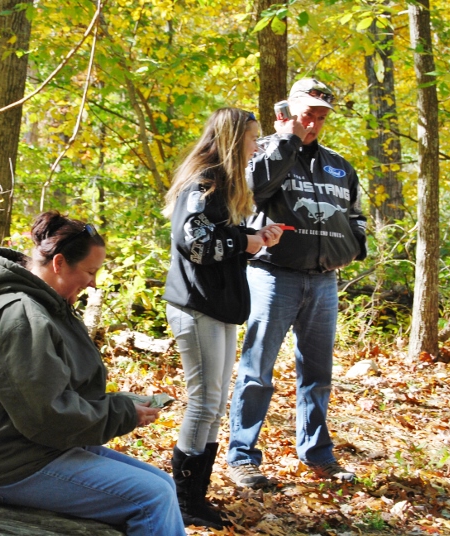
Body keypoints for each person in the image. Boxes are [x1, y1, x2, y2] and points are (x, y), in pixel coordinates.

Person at [0, 211, 184, 536]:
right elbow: (48, 415)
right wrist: (122, 412)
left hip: (36, 448)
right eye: (89, 271)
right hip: (5, 466)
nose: (94, 282)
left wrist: (123, 403)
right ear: (58, 263)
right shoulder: (20, 317)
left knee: (163, 483)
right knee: (150, 498)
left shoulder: (47, 308)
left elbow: (57, 394)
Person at [226, 78, 368, 488]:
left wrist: (355, 245)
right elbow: (254, 191)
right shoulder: (264, 151)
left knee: (318, 373)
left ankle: (318, 454)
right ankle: (242, 457)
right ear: (289, 111)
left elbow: (355, 212)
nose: (315, 124)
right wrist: (288, 139)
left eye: (322, 117)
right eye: (309, 115)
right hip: (273, 275)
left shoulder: (339, 164)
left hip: (324, 282)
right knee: (257, 370)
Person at [162, 108, 284, 528]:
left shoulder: (227, 187)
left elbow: (223, 243)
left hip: (220, 305)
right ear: (234, 139)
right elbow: (193, 243)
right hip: (196, 307)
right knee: (204, 403)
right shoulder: (205, 181)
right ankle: (183, 501)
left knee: (214, 406)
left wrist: (256, 240)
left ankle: (197, 496)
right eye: (252, 138)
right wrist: (243, 239)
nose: (257, 146)